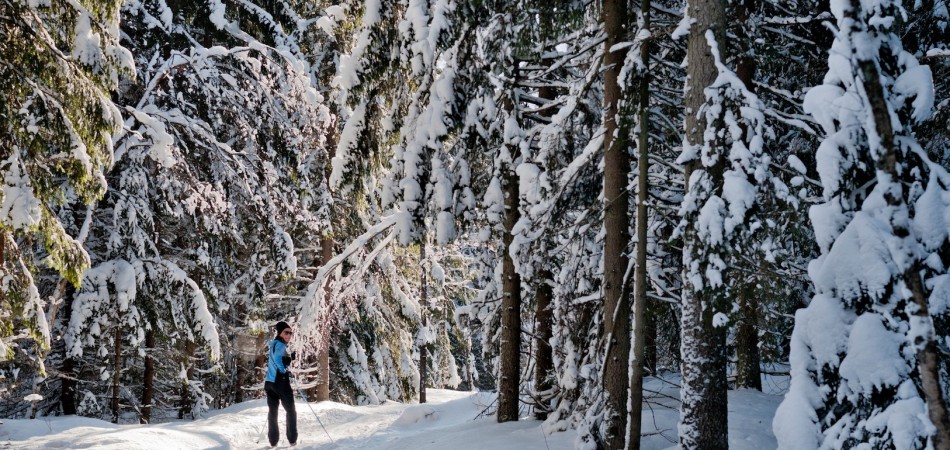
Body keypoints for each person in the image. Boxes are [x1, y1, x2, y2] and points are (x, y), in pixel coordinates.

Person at [265, 321, 297, 447]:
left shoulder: (274, 344)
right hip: (280, 382)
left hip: (269, 382)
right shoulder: (281, 345)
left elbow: (277, 359)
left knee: (273, 412)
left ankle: (273, 442)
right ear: (280, 332)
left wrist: (289, 359)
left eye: (290, 333)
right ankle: (292, 440)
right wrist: (284, 371)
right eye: (286, 332)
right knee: (291, 411)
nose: (289, 335)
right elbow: (279, 360)